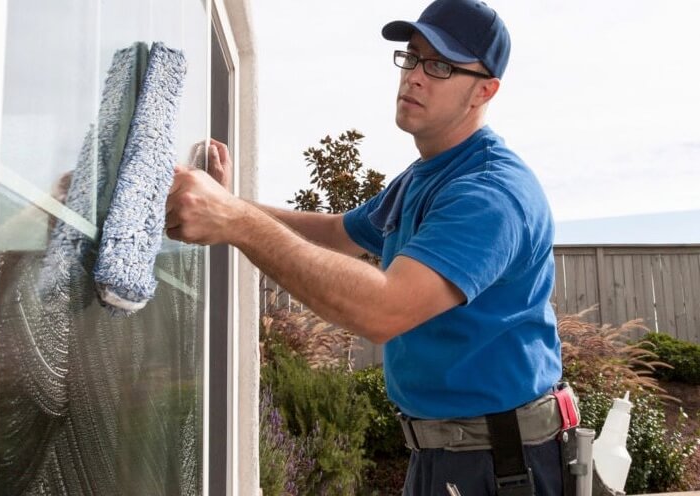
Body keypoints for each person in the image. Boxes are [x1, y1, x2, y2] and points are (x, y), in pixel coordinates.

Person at [166, 0, 571, 494]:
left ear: (484, 90)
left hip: (502, 466)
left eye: (440, 65)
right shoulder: (423, 178)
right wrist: (229, 204)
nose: (415, 77)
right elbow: (337, 232)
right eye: (412, 57)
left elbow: (385, 310)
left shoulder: (489, 193)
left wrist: (234, 220)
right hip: (443, 454)